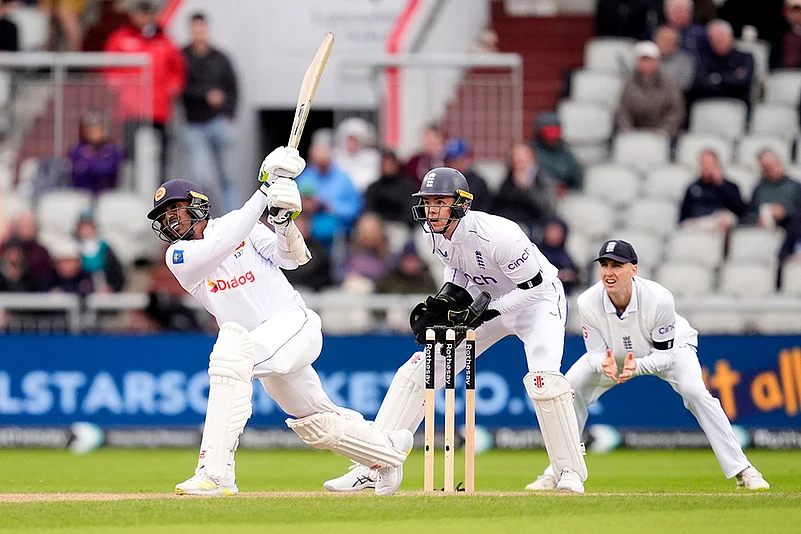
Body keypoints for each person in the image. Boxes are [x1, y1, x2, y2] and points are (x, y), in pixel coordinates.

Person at [145, 146, 413, 496]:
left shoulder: (245, 227)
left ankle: (216, 474)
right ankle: (385, 453)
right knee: (316, 423)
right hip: (264, 347)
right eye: (165, 217)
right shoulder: (179, 256)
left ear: (197, 205)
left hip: (294, 326)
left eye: (176, 211)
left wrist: (284, 224)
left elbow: (293, 258)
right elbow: (223, 243)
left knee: (230, 354)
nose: (171, 221)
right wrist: (263, 190)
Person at [323, 167, 589, 494]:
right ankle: (373, 463)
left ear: (461, 204)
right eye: (428, 202)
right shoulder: (433, 234)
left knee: (544, 382)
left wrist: (485, 311)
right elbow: (458, 269)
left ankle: (569, 473)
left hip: (536, 304)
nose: (432, 210)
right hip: (487, 302)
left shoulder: (500, 234)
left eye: (440, 202)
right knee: (419, 370)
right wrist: (447, 298)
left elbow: (535, 287)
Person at [525, 240, 770, 492]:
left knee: (696, 393)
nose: (609, 272)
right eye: (605, 265)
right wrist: (603, 363)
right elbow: (595, 353)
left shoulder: (658, 299)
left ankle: (744, 470)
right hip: (617, 353)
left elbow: (666, 356)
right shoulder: (587, 301)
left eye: (617, 265)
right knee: (568, 388)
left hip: (671, 350)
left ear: (634, 269)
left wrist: (638, 367)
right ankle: (559, 471)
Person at [104, 0, 185, 182]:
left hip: (159, 110)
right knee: (130, 154)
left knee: (162, 154)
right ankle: (132, 188)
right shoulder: (120, 38)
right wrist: (117, 86)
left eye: (148, 13)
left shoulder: (164, 40)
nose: (145, 17)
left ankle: (161, 192)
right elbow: (109, 68)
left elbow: (177, 69)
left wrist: (174, 86)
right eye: (141, 12)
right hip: (131, 111)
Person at [181, 12, 239, 214]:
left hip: (218, 122)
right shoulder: (183, 58)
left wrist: (228, 113)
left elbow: (233, 87)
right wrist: (205, 96)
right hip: (194, 125)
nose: (199, 33)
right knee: (201, 178)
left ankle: (232, 219)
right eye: (195, 29)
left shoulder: (220, 58)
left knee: (228, 176)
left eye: (202, 28)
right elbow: (181, 88)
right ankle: (203, 219)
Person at [615, 41, 685, 138]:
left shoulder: (670, 83)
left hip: (662, 135)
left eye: (650, 60)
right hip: (634, 133)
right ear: (637, 62)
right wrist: (626, 130)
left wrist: (665, 130)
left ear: (657, 61)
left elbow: (676, 111)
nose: (647, 63)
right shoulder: (629, 83)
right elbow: (623, 111)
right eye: (643, 60)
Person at [679, 149, 746, 231]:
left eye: (710, 164)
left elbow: (739, 210)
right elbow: (684, 215)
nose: (707, 167)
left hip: (720, 224)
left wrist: (720, 184)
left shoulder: (730, 186)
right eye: (704, 164)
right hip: (699, 224)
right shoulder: (693, 188)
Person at [68, 111, 125, 195]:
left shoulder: (114, 150)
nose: (93, 133)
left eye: (97, 129)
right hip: (82, 194)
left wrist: (89, 164)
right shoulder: (77, 150)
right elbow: (76, 171)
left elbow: (108, 169)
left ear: (104, 131)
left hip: (108, 194)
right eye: (90, 130)